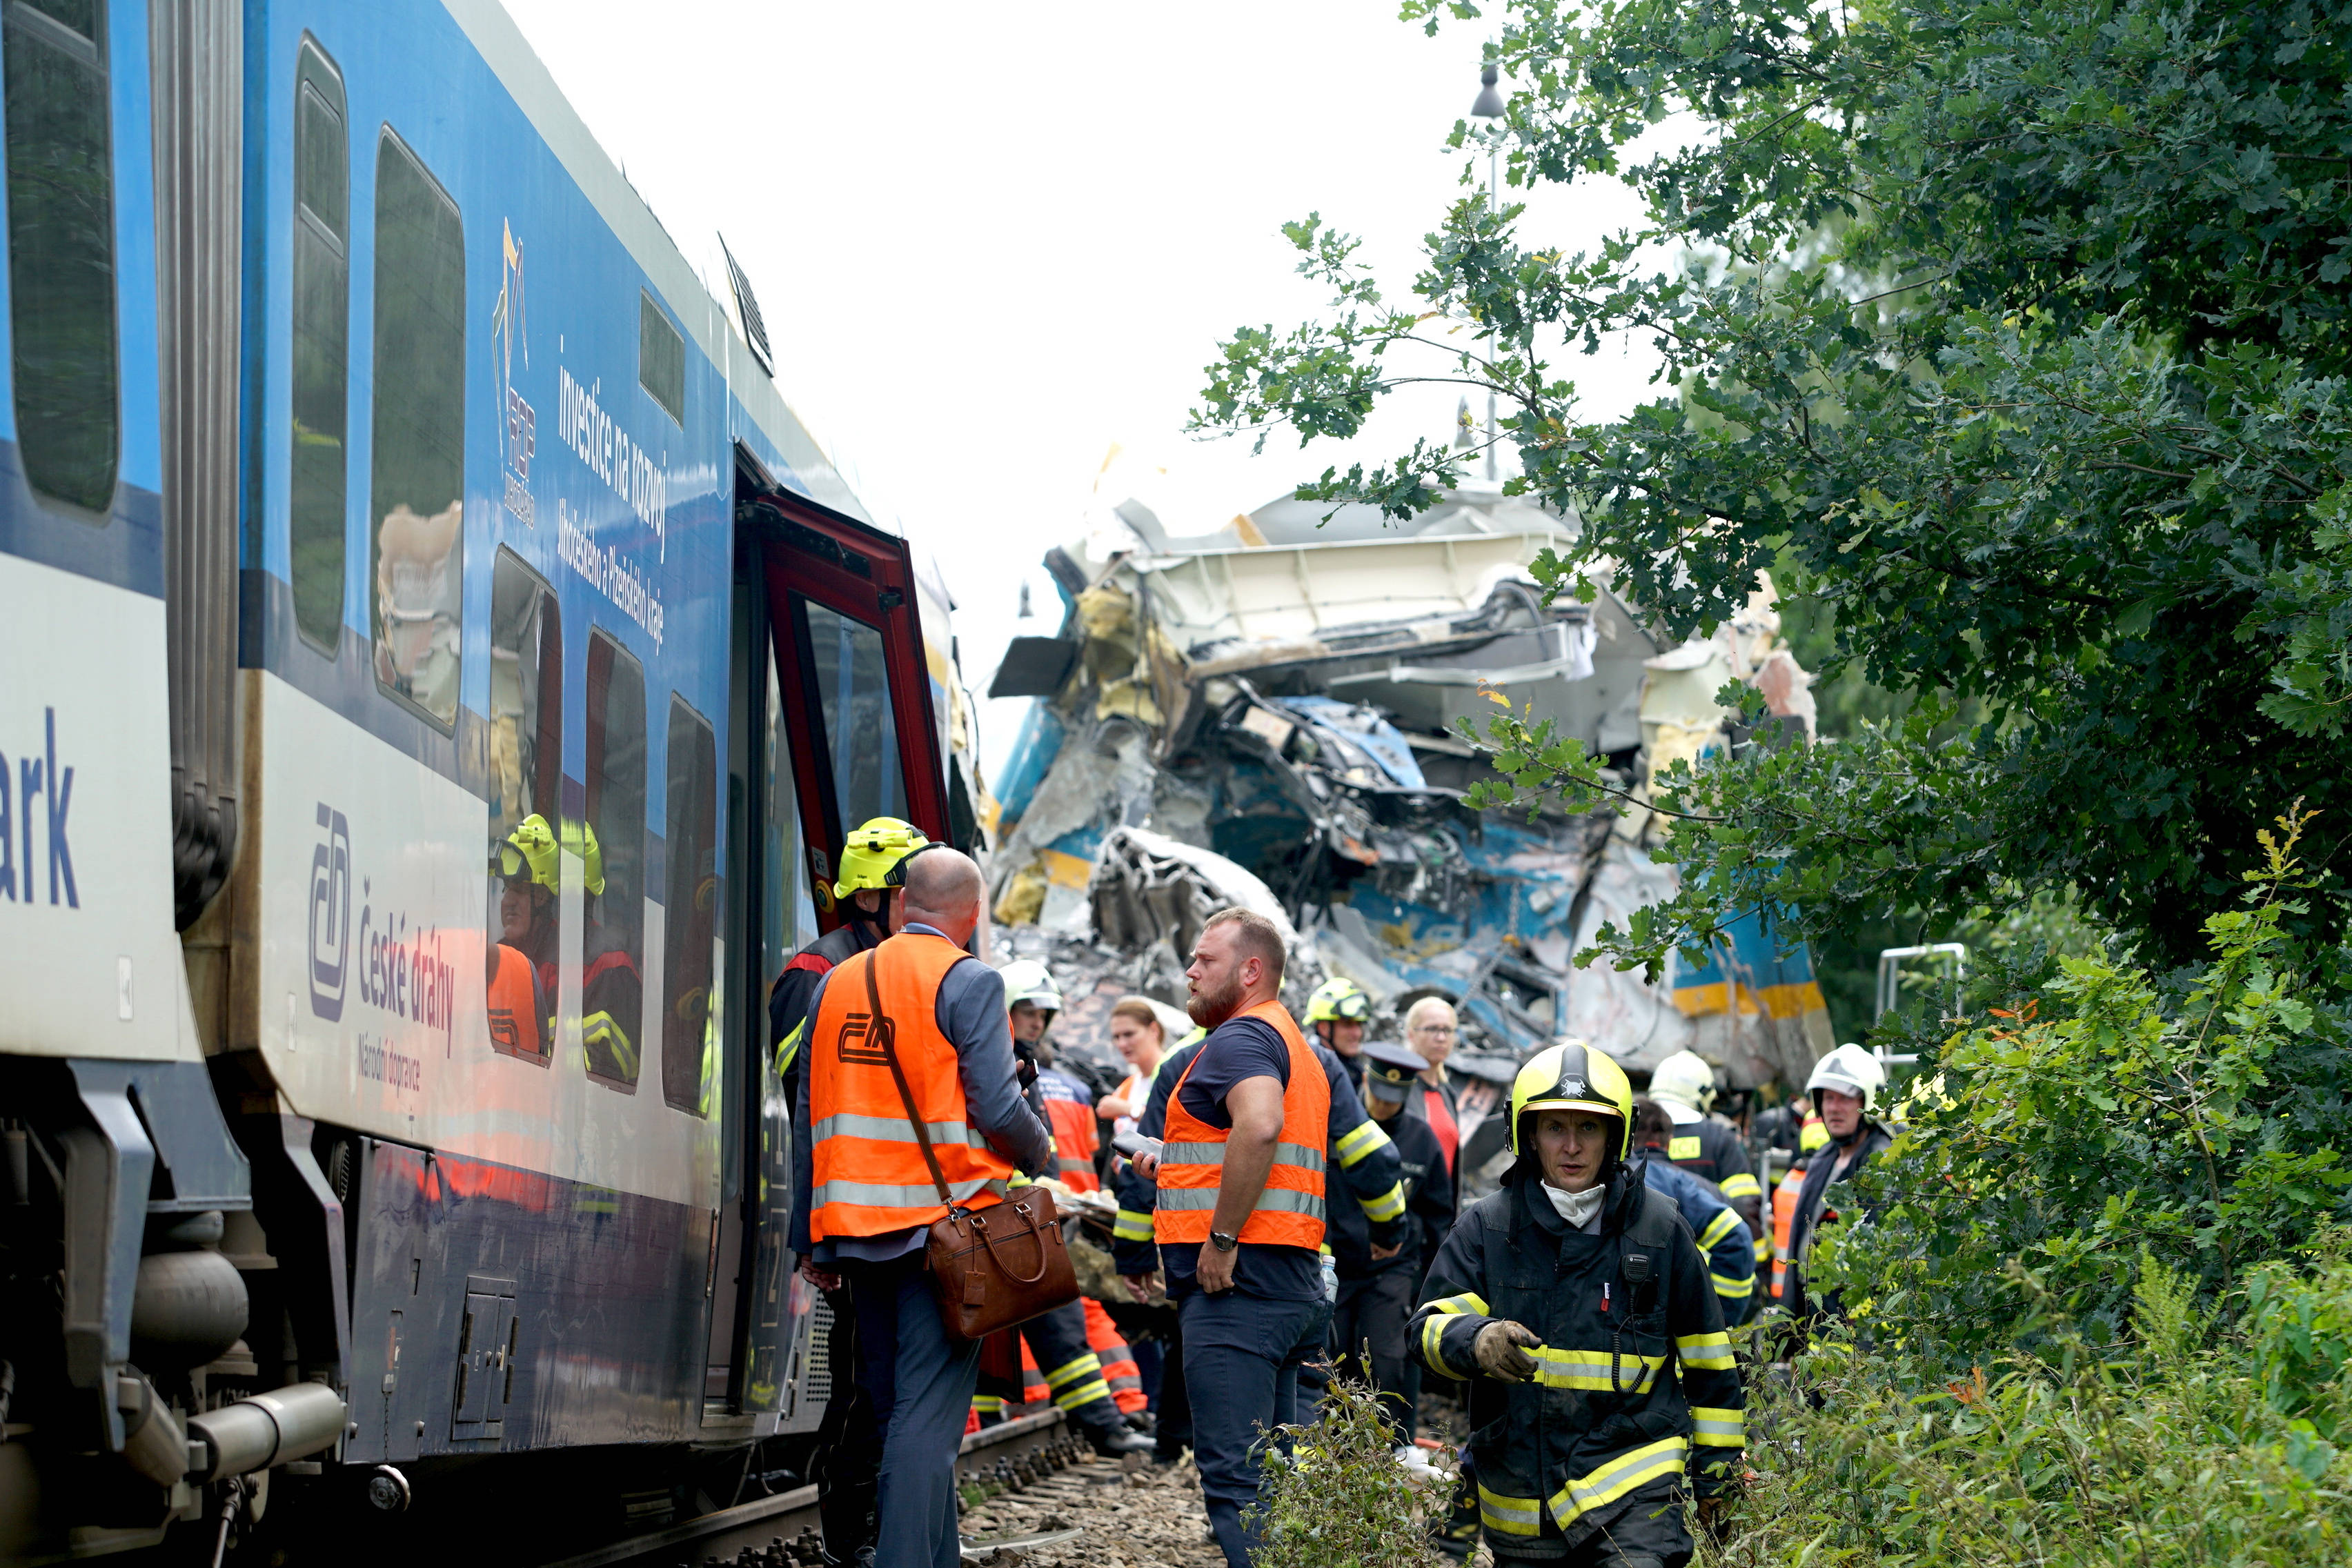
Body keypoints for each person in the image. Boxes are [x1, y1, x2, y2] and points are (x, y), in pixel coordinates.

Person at [788, 848, 1054, 1568]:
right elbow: (998, 1105)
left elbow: (807, 1115)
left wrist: (805, 1237)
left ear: (902, 903)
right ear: (971, 916)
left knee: (895, 1398)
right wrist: (1040, 1149)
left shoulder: (836, 981)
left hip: (855, 1230)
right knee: (925, 1416)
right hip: (945, 1236)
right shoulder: (969, 980)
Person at [1410, 1040, 1744, 1567]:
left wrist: (1716, 1476)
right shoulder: (1489, 1227)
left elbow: (1709, 1364)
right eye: (1554, 1127)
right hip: (1525, 1499)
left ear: (1615, 1134)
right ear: (1527, 1135)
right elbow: (1427, 1327)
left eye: (1587, 1127)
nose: (1571, 1146)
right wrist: (1476, 1338)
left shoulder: (1659, 1230)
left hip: (1636, 1488)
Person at [1115, 909, 1333, 1567]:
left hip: (1240, 1291)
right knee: (1273, 1479)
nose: (1190, 970)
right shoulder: (1290, 1042)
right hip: (1288, 1283)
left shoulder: (1239, 1039)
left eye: (1204, 959)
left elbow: (1260, 1127)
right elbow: (1250, 1141)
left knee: (1237, 1482)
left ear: (1250, 971)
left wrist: (1221, 1238)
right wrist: (1169, 1157)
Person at [1114, 999, 1406, 1471]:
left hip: (1207, 1262)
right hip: (1296, 1257)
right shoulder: (1315, 1059)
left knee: (1215, 1381)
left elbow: (1138, 1170)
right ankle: (1288, 1512)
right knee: (1298, 1387)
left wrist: (1133, 1254)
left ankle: (1231, 1497)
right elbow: (1369, 1154)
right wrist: (1391, 1227)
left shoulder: (1182, 1062)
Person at [765, 817, 927, 1566]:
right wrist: (814, 1236)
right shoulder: (814, 974)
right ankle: (850, 1526)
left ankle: (886, 1515)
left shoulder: (904, 965)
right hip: (856, 1218)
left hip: (907, 1213)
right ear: (875, 893)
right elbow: (812, 1112)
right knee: (866, 1377)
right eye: (910, 885)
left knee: (893, 1377)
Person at [978, 959, 1153, 1456]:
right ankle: (1100, 1427)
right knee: (1038, 1320)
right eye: (1027, 1011)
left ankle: (1104, 1426)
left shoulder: (1020, 1063)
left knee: (1056, 1319)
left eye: (1043, 1014)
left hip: (1017, 1213)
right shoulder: (994, 1060)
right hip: (1000, 1215)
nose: (1036, 1022)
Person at [1331, 1040, 1455, 1462]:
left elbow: (1440, 1213)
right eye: (1380, 1096)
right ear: (1366, 1080)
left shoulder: (1421, 1140)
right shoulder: (1337, 1129)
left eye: (1395, 1099)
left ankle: (1391, 1447)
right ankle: (1334, 1448)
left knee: (1386, 1356)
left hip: (1394, 1269)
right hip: (1340, 1263)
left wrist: (1432, 1284)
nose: (1385, 1106)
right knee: (1335, 1356)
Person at [493, 813, 640, 1080]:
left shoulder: (611, 968)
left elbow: (620, 1078)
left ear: (545, 895)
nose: (507, 901)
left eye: (520, 889)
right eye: (506, 888)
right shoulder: (497, 963)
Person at [1783, 1044, 1897, 1325]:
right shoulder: (1824, 1158)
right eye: (1828, 1098)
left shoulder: (1880, 1160)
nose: (1834, 1108)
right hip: (1814, 1318)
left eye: (1845, 1098)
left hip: (1856, 1325)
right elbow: (1799, 1239)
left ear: (1870, 1102)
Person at [1633, 1100, 1759, 1327]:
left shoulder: (1600, 1180)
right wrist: (1717, 1319)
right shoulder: (1695, 1187)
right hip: (1675, 1325)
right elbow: (1737, 1239)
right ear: (1670, 1141)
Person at [1646, 1051, 1766, 1264]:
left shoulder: (1634, 1133)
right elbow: (1745, 1206)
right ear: (1704, 1093)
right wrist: (1756, 1263)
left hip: (1642, 1265)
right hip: (1706, 1272)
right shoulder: (1720, 1138)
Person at [1403, 996, 1463, 1173]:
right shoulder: (1399, 1090)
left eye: (1448, 1030)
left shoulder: (1447, 1094)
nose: (1441, 1037)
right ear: (1411, 1034)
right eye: (1432, 1029)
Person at [1096, 996, 1166, 1133]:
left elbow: (1172, 1123)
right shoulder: (1126, 1087)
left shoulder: (1177, 1075)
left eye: (1129, 1034)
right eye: (1116, 1037)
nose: (1122, 1044)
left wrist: (1129, 1110)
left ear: (1153, 1030)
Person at [1303, 976, 1372, 1089]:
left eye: (1359, 1024)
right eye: (1348, 1025)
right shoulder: (1309, 1074)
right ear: (1324, 1028)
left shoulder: (1354, 1069)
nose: (1358, 1034)